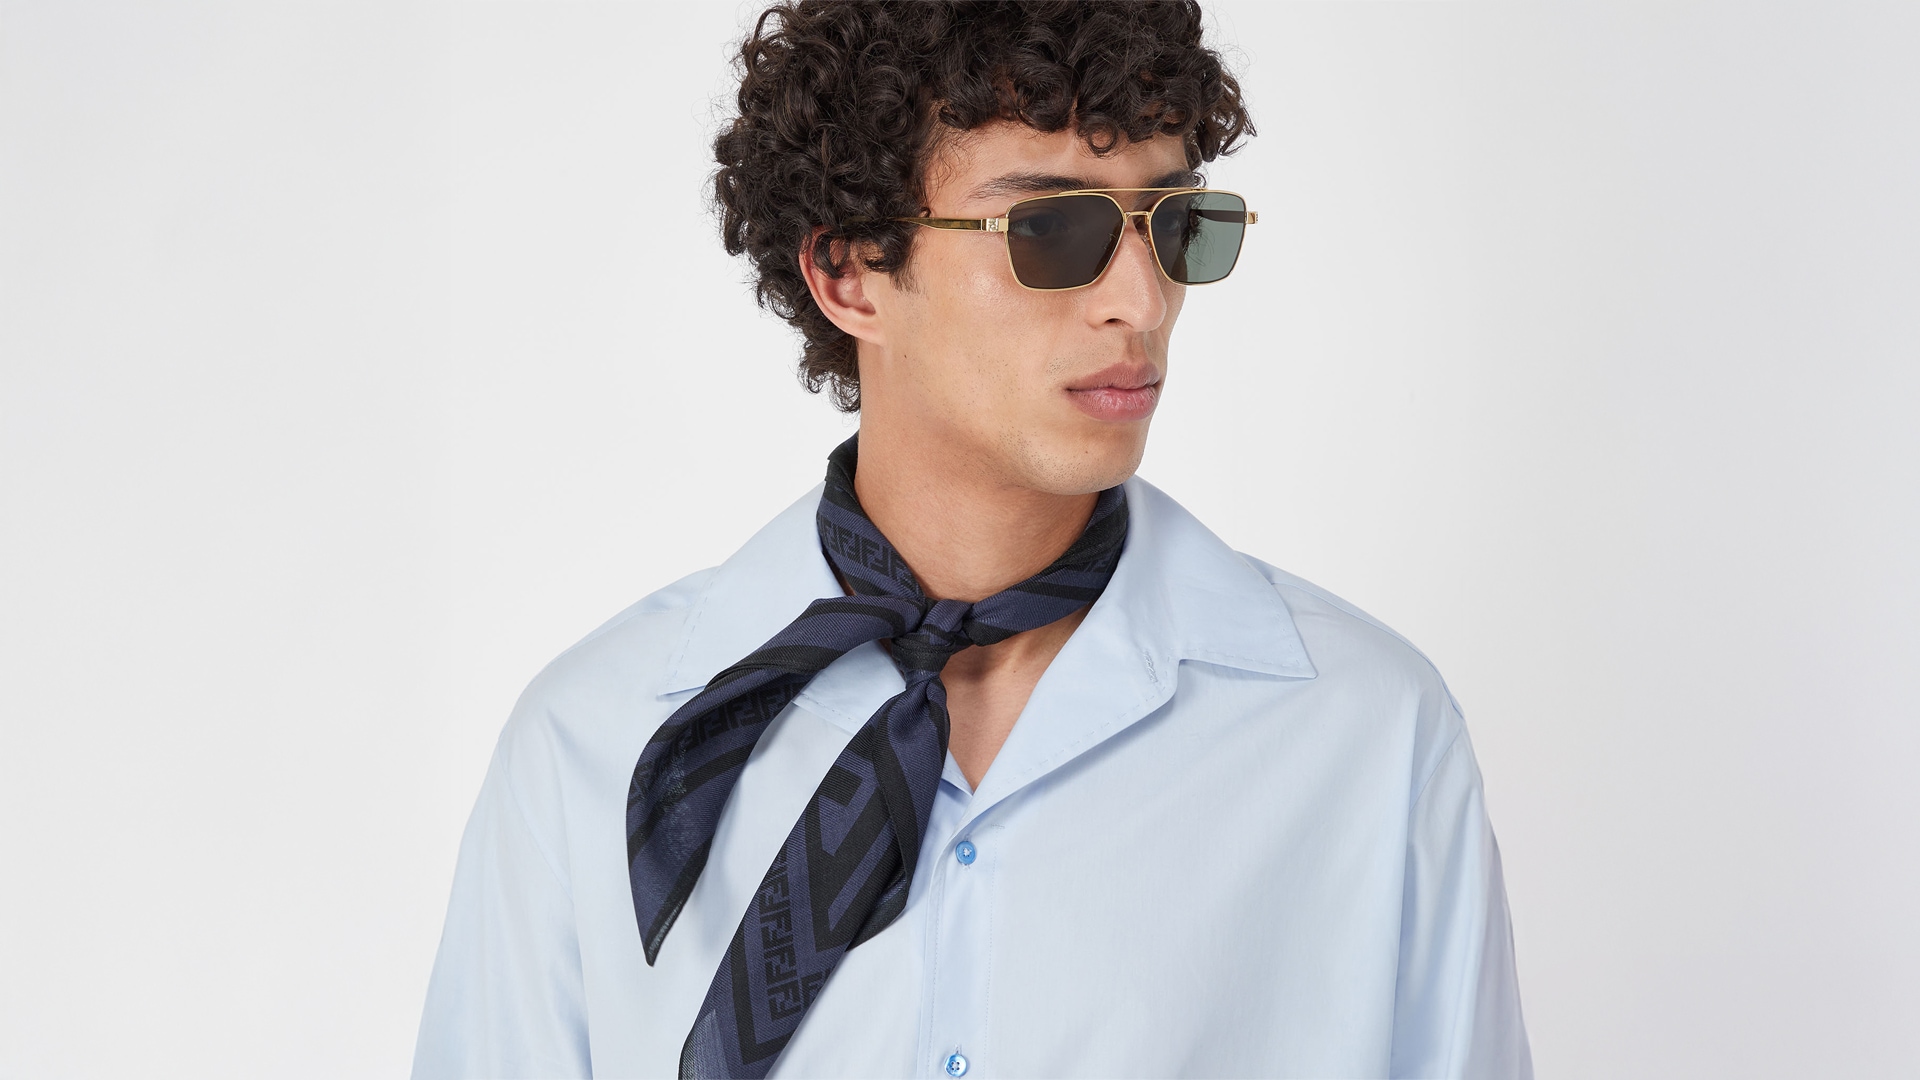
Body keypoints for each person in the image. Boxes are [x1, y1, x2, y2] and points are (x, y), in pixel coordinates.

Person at [414, 2, 1531, 1077]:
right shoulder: (594, 743)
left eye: (1173, 225)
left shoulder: (1365, 737)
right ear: (849, 272)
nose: (1140, 303)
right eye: (1051, 230)